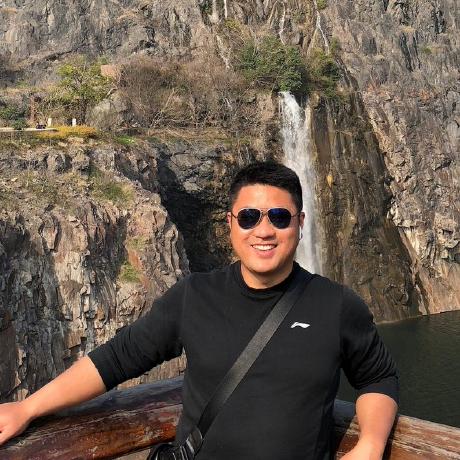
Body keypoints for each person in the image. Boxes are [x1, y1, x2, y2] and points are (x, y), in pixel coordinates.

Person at [0, 161, 398, 459]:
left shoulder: (337, 304)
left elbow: (378, 377)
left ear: (300, 223)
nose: (263, 231)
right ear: (230, 224)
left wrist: (371, 443)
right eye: (249, 217)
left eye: (279, 217)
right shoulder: (195, 295)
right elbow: (115, 360)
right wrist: (28, 408)